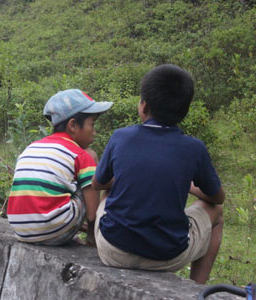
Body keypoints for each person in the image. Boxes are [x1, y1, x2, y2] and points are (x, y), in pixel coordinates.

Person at [92, 64, 224, 284]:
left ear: (144, 106)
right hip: (167, 257)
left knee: (108, 192)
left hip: (112, 251)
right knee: (217, 213)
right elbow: (218, 198)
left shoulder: (120, 137)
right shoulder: (195, 148)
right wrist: (189, 186)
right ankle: (196, 289)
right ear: (184, 111)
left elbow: (98, 183)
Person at [7, 89, 113, 246]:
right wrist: (92, 231)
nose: (94, 132)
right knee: (92, 175)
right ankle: (92, 237)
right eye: (92, 124)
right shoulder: (82, 155)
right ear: (73, 125)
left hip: (21, 231)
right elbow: (91, 214)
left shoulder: (32, 147)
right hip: (55, 231)